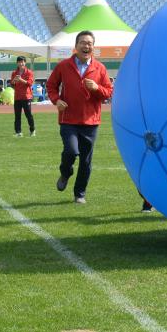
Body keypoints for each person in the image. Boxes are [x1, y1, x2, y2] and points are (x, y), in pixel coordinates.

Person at [47, 31, 114, 204]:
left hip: (91, 121)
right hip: (68, 119)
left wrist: (97, 88)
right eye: (83, 43)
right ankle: (65, 173)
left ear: (93, 47)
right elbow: (51, 85)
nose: (86, 46)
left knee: (86, 160)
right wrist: (56, 100)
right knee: (71, 151)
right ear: (76, 46)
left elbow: (108, 92)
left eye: (90, 43)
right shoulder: (63, 66)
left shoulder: (100, 68)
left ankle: (80, 194)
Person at [10, 56, 36, 137]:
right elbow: (12, 84)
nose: (21, 63)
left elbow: (30, 83)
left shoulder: (29, 72)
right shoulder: (14, 72)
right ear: (17, 63)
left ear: (25, 63)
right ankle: (18, 132)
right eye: (19, 62)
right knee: (17, 116)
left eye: (22, 62)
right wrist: (14, 80)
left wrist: (20, 79)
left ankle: (32, 130)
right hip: (17, 97)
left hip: (26, 97)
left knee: (28, 115)